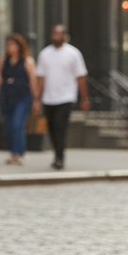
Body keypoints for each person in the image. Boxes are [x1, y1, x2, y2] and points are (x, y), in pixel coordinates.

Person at [34, 24, 89, 170]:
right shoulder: (45, 54)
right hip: (48, 97)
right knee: (51, 128)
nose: (56, 36)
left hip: (66, 97)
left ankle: (59, 157)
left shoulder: (73, 53)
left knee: (60, 126)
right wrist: (36, 99)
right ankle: (57, 154)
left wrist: (84, 98)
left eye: (59, 33)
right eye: (54, 33)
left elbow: (81, 77)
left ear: (64, 35)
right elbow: (40, 78)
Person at [0, 34, 38, 166]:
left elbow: (32, 81)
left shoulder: (27, 61)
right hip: (7, 96)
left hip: (22, 97)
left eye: (13, 45)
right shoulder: (3, 60)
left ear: (19, 47)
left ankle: (19, 153)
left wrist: (36, 99)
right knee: (9, 126)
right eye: (8, 45)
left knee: (17, 124)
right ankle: (13, 153)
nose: (10, 48)